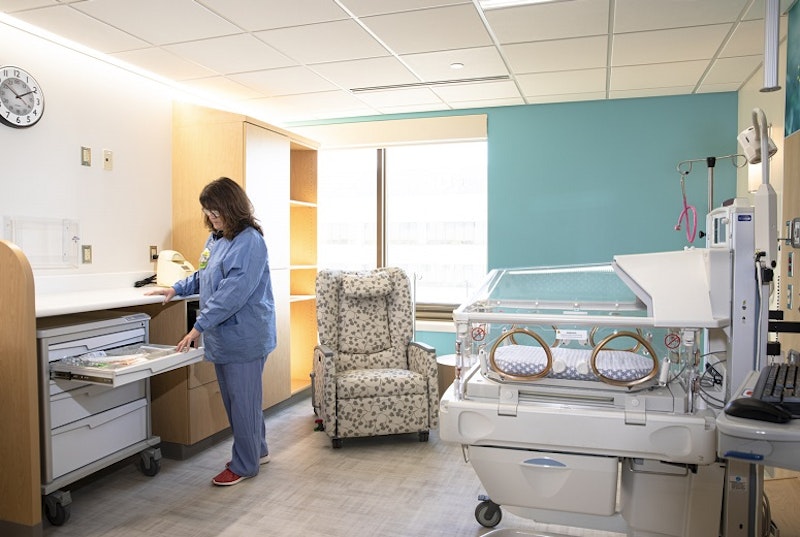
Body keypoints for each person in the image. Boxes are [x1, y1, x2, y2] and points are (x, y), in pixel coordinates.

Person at [146, 176, 276, 486]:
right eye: (207, 211)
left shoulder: (250, 241)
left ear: (232, 207)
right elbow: (203, 275)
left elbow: (233, 292)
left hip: (245, 335)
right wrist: (176, 289)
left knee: (241, 402)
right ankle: (256, 451)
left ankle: (244, 465)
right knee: (241, 401)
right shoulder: (216, 239)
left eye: (215, 211)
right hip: (226, 335)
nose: (211, 217)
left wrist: (198, 326)